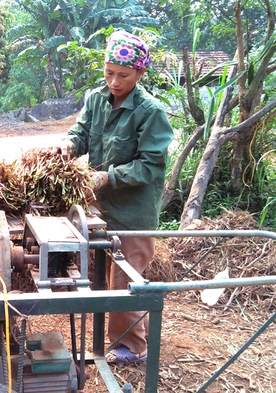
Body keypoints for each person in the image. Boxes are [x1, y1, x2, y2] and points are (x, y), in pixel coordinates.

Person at [54, 30, 174, 363]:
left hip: (133, 212)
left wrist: (108, 177)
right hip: (100, 207)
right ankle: (127, 331)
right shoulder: (96, 99)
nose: (114, 82)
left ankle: (132, 347)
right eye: (109, 73)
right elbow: (81, 133)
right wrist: (68, 146)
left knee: (125, 279)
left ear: (140, 73)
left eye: (123, 75)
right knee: (105, 275)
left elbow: (150, 166)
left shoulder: (150, 112)